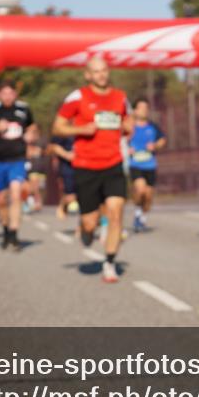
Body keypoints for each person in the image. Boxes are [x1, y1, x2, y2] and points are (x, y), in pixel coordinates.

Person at [52, 56, 133, 283]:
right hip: (86, 165)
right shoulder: (78, 97)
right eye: (96, 71)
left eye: (104, 70)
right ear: (88, 75)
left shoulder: (120, 97)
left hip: (113, 162)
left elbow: (129, 123)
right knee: (90, 222)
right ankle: (86, 229)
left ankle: (109, 263)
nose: (101, 75)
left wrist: (126, 126)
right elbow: (57, 127)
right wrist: (82, 129)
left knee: (116, 212)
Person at [0, 82, 36, 252]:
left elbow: (32, 126)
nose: (8, 97)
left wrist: (31, 134)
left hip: (17, 159)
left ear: (15, 94)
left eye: (11, 93)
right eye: (4, 93)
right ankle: (5, 229)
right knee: (1, 200)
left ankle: (14, 233)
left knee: (16, 194)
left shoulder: (24, 109)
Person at [127, 97, 166, 233]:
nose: (144, 111)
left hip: (150, 165)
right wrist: (127, 149)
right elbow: (120, 140)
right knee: (140, 189)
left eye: (146, 108)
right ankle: (137, 212)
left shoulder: (153, 126)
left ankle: (142, 216)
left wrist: (155, 145)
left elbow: (162, 140)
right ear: (135, 110)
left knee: (148, 196)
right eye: (141, 108)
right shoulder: (129, 126)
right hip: (135, 164)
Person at [47, 135, 78, 219]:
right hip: (68, 166)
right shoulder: (64, 130)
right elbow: (51, 147)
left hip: (86, 165)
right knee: (70, 194)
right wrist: (66, 154)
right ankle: (63, 205)